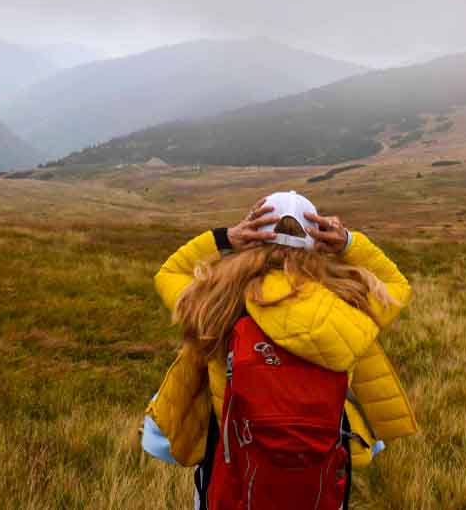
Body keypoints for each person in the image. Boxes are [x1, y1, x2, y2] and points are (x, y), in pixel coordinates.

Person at [146, 191, 417, 509]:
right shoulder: (350, 304)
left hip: (234, 479)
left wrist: (226, 237)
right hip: (317, 482)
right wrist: (348, 244)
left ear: (255, 237)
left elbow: (169, 274)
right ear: (317, 241)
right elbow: (397, 286)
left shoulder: (218, 302)